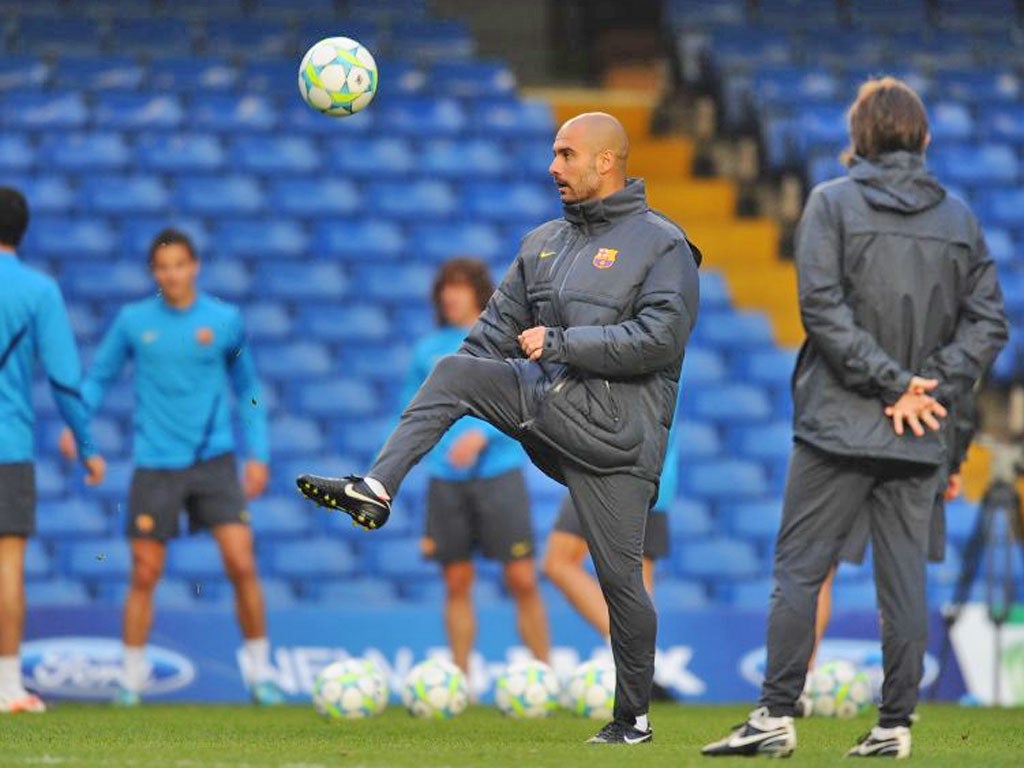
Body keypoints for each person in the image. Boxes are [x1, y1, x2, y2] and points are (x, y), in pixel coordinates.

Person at [297, 112, 701, 744]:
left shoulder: (664, 245)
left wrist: (564, 341)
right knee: (456, 369)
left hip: (616, 435)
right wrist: (474, 388)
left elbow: (659, 340)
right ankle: (376, 489)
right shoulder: (542, 242)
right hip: (549, 407)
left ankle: (633, 720)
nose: (553, 167)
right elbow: (489, 339)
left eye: (566, 155)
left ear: (605, 162)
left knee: (622, 584)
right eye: (553, 153)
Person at [702, 77, 1007, 760]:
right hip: (920, 433)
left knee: (800, 570)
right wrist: (931, 393)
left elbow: (822, 312)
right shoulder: (959, 218)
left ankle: (776, 715)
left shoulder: (831, 204)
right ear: (923, 138)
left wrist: (899, 384)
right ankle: (894, 727)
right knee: (903, 583)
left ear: (858, 137)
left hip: (838, 424)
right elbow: (989, 323)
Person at [60, 228, 283, 707]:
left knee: (241, 562)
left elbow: (249, 389)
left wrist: (258, 454)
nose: (172, 274)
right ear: (154, 273)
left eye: (180, 264)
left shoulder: (224, 321)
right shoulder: (133, 321)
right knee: (144, 571)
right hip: (156, 462)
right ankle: (132, 679)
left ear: (194, 266)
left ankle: (261, 673)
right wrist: (77, 423)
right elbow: (98, 378)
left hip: (214, 460)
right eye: (163, 267)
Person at [409, 257, 550, 686]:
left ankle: (544, 675)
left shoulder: (505, 342)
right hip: (446, 481)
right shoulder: (427, 350)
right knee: (456, 580)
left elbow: (529, 402)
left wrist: (483, 437)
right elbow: (412, 410)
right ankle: (461, 680)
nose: (451, 295)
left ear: (478, 292)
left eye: (460, 286)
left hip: (500, 474)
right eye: (445, 288)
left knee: (522, 577)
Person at [0, 187, 106, 714]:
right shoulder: (38, 290)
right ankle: (7, 688)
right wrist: (87, 446)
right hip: (9, 447)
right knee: (8, 565)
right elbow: (65, 379)